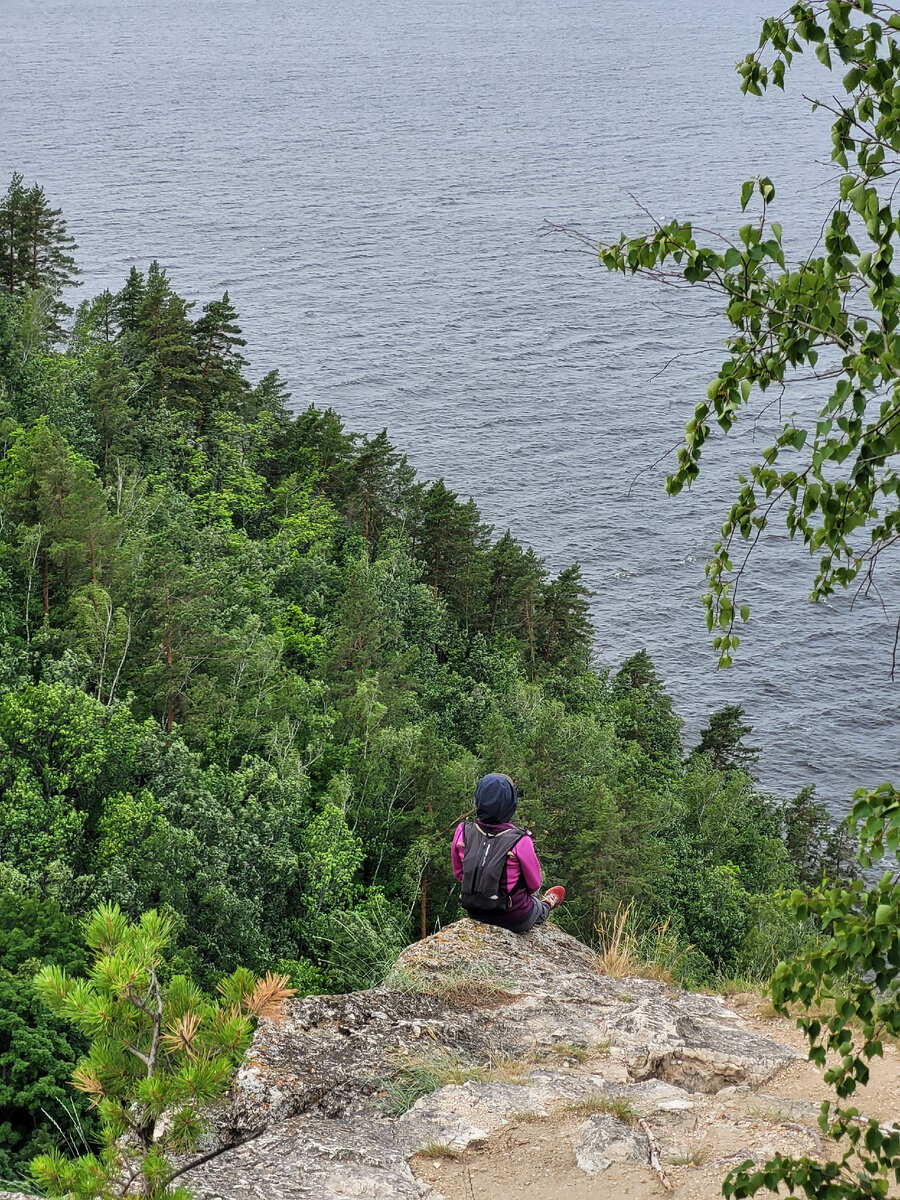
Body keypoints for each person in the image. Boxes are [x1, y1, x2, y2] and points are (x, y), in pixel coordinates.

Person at [451, 772, 565, 933]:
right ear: (511, 804)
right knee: (535, 905)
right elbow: (534, 884)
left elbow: (459, 874)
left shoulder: (463, 831)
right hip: (514, 917)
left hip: (475, 911)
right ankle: (547, 904)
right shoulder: (520, 840)